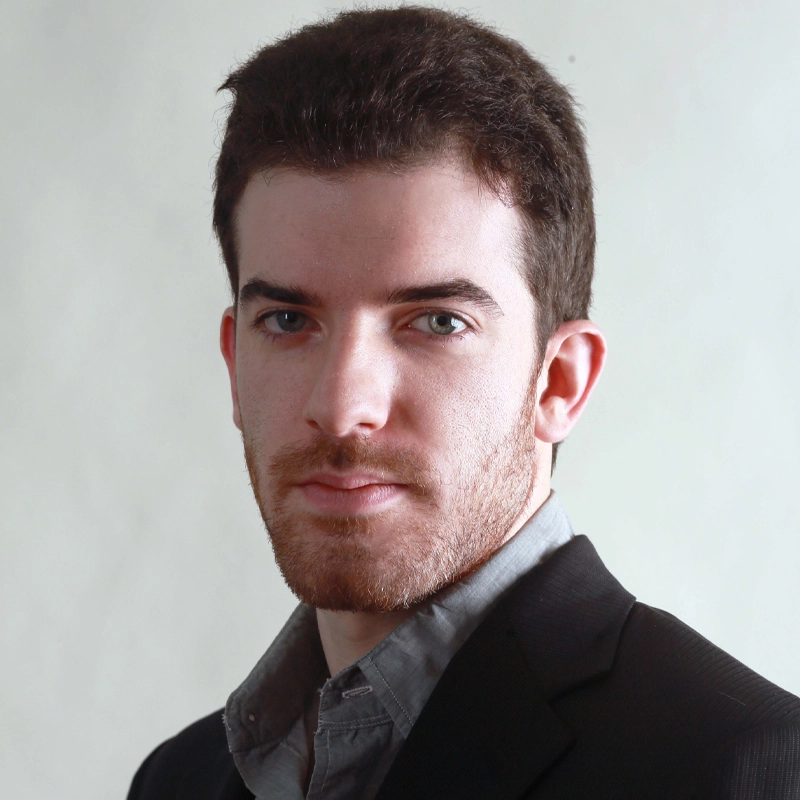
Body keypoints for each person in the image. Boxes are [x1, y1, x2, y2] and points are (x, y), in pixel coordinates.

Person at [128, 7, 800, 799]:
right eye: (287, 320)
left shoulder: (744, 770)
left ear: (560, 382)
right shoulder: (177, 781)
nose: (341, 408)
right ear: (235, 362)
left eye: (437, 322)